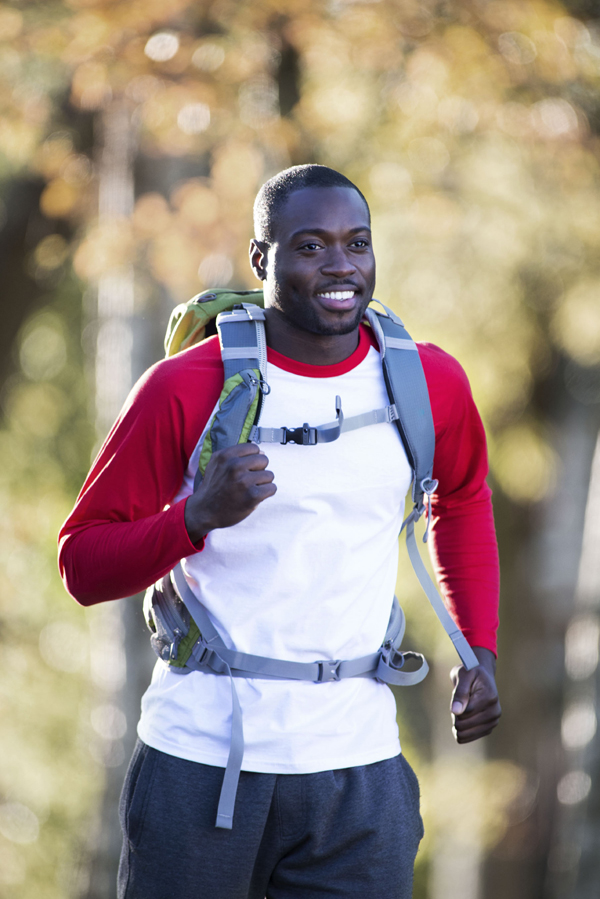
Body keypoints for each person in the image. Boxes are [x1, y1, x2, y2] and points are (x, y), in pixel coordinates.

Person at [59, 165, 501, 899]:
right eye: (311, 246)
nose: (340, 266)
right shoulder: (185, 387)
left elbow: (461, 501)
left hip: (359, 772)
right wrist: (195, 517)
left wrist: (477, 646)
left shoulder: (427, 384)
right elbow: (82, 563)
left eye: (356, 243)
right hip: (199, 762)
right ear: (262, 260)